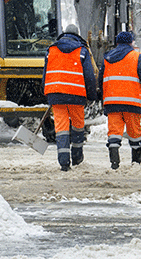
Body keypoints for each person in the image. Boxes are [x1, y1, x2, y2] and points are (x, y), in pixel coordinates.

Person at [43, 24, 97, 171]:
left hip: (56, 95)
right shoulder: (82, 51)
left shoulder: (51, 50)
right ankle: (77, 157)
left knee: (61, 129)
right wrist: (92, 96)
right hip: (76, 96)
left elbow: (45, 74)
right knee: (78, 127)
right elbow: (89, 77)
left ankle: (64, 162)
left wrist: (48, 92)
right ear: (77, 35)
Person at [99, 31, 141, 170]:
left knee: (114, 130)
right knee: (134, 131)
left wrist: (102, 96)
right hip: (131, 101)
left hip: (112, 101)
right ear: (131, 42)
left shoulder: (107, 57)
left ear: (117, 42)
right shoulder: (136, 56)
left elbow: (100, 79)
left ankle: (114, 158)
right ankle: (136, 158)